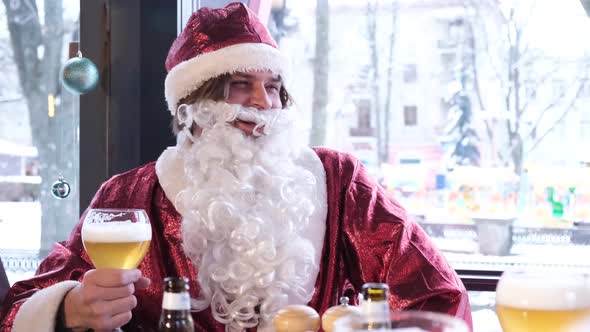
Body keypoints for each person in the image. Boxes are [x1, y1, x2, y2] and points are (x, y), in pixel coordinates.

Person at [0, 3, 472, 332]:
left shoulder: (341, 181)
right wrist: (71, 309)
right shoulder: (128, 197)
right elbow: (18, 308)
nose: (263, 103)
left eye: (274, 87)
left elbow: (437, 298)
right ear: (192, 104)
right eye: (239, 84)